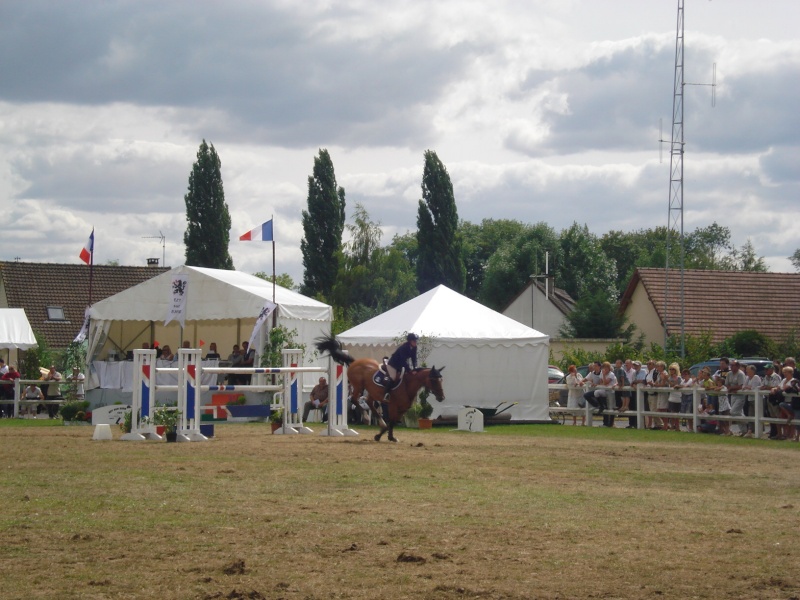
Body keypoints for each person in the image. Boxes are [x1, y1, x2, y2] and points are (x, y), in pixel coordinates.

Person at [384, 333, 419, 398]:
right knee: (393, 377)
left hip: (400, 365)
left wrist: (415, 368)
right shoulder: (404, 348)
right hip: (393, 364)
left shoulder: (414, 347)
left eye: (416, 341)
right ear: (410, 341)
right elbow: (403, 361)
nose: (415, 342)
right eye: (414, 341)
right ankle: (386, 393)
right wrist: (410, 371)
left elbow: (414, 359)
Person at [725, 360, 747, 436]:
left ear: (737, 366)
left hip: (740, 396)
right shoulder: (729, 374)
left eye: (733, 365)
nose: (731, 367)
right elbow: (727, 384)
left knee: (733, 412)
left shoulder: (741, 374)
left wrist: (732, 388)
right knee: (739, 413)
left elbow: (741, 386)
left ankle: (746, 421)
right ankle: (744, 431)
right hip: (733, 396)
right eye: (731, 365)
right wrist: (731, 388)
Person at [741, 364, 761, 438]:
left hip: (757, 400)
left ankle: (757, 431)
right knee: (750, 414)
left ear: (752, 371)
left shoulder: (756, 377)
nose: (746, 371)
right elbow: (743, 386)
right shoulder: (747, 378)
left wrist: (747, 387)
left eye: (748, 370)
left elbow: (753, 388)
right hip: (750, 399)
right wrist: (747, 387)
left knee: (757, 415)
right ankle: (750, 431)